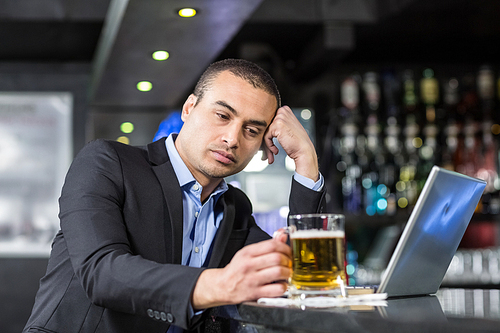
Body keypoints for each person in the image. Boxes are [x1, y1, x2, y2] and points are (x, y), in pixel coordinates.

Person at [23, 59, 326, 333]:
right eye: (222, 115)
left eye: (251, 130)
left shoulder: (235, 207)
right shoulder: (107, 163)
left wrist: (306, 161)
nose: (232, 139)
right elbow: (101, 272)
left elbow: (305, 276)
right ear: (189, 108)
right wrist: (220, 284)